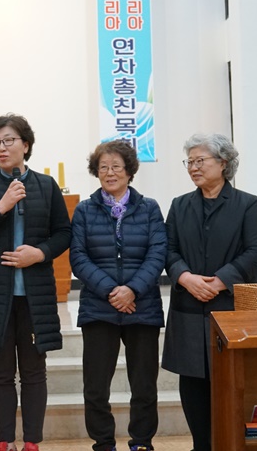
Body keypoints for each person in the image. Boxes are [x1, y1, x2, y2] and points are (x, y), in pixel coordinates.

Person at [0, 114, 72, 451]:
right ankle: (4, 440)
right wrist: (1, 206)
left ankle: (32, 442)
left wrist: (39, 254)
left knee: (34, 372)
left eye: (8, 140)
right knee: (0, 372)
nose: (2, 147)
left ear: (25, 145)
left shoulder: (46, 185)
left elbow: (63, 233)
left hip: (35, 294)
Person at [162, 133, 257, 451]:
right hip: (189, 305)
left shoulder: (247, 204)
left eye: (200, 160)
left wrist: (220, 280)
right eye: (189, 162)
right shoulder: (180, 205)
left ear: (223, 163)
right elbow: (168, 249)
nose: (193, 167)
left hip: (233, 307)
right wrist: (185, 278)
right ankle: (200, 445)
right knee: (193, 380)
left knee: (232, 379)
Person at [70, 141, 166, 451]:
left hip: (143, 307)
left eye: (116, 167)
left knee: (144, 385)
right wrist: (112, 291)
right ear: (96, 172)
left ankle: (141, 442)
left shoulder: (149, 208)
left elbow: (158, 253)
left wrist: (132, 289)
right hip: (99, 308)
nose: (109, 173)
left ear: (129, 171)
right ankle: (103, 443)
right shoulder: (84, 210)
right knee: (96, 387)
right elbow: (78, 257)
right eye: (103, 167)